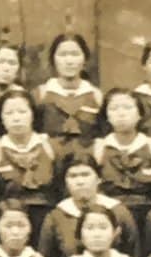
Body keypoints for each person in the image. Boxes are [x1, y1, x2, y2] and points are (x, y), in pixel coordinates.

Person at [39, 159, 139, 257]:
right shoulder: (56, 216)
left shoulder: (118, 212)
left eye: (85, 175)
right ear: (65, 182)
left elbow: (133, 253)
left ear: (98, 179)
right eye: (73, 176)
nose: (80, 181)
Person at [90, 88, 151, 216]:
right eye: (114, 109)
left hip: (148, 216)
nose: (121, 114)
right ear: (106, 116)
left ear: (140, 114)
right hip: (110, 216)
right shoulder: (98, 148)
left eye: (128, 107)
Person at [36, 31, 103, 166]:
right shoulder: (41, 94)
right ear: (53, 59)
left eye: (75, 54)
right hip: (51, 162)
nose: (69, 61)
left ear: (85, 59)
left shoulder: (96, 95)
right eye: (62, 55)